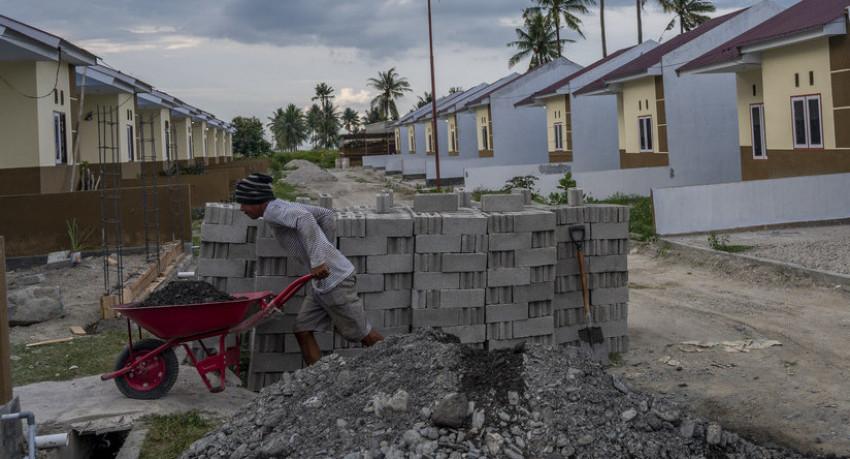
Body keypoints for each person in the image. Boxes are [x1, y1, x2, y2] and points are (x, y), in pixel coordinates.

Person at [235, 172, 383, 365]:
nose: (242, 208)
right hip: (321, 285)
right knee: (302, 329)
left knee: (365, 335)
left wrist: (319, 260)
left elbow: (305, 219)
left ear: (257, 199)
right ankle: (319, 377)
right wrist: (326, 251)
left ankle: (399, 364)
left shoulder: (274, 211)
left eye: (244, 202)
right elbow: (326, 215)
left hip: (336, 283)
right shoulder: (280, 206)